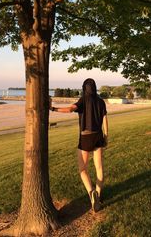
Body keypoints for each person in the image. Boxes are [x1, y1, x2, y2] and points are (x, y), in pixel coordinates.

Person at [50, 78, 108, 212]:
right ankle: (98, 195)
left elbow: (70, 109)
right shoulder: (101, 101)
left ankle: (91, 192)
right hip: (98, 136)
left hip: (85, 138)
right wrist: (106, 135)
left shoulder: (82, 100)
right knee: (99, 168)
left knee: (83, 169)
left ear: (84, 88)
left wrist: (52, 108)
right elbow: (105, 119)